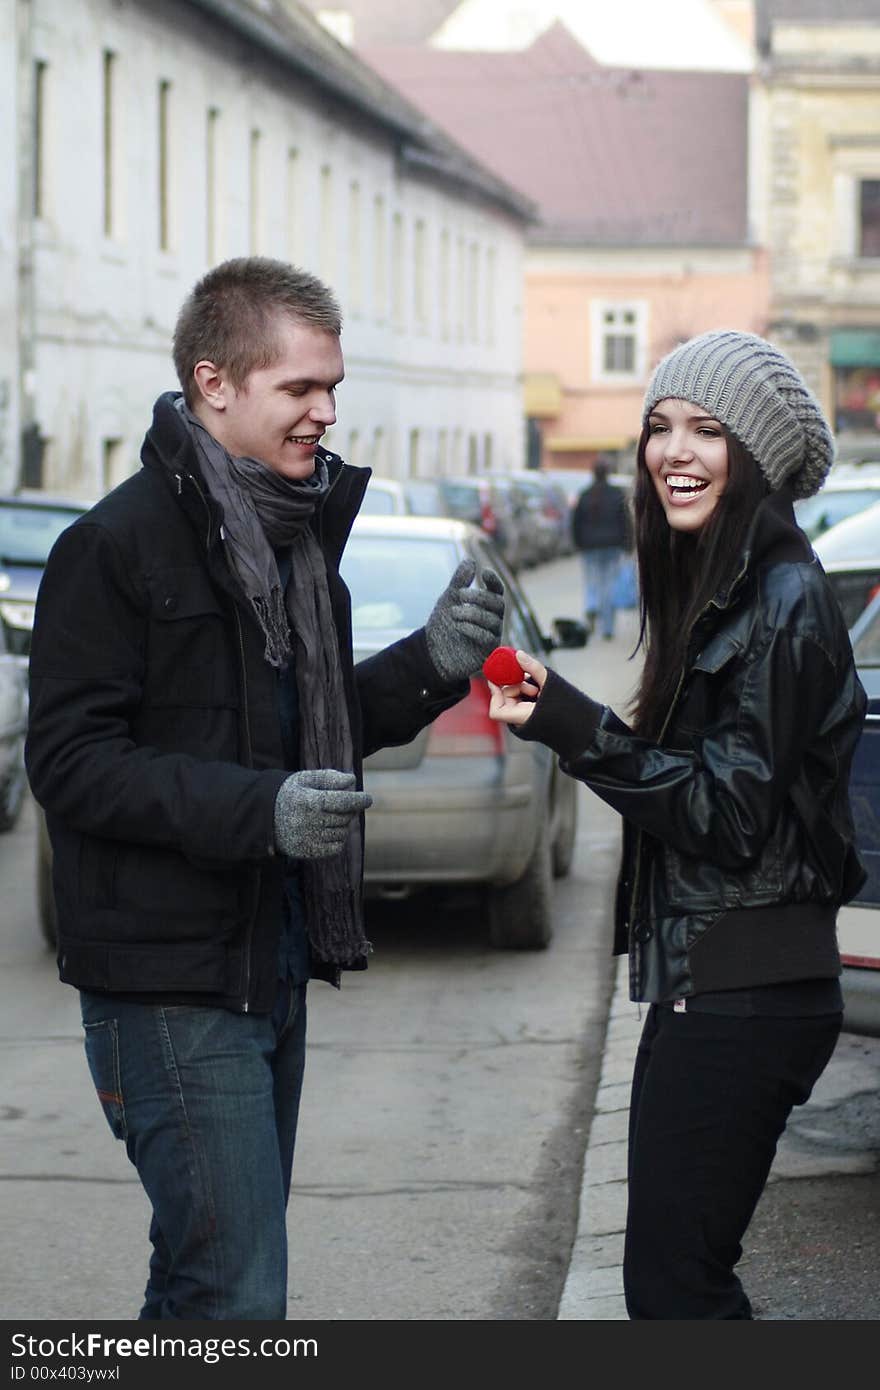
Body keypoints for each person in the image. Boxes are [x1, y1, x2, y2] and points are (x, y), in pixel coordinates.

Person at [24, 255, 505, 1321]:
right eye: (301, 389)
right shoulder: (112, 545)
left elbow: (308, 728)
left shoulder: (294, 541)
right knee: (233, 1294)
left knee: (208, 1280)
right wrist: (263, 812)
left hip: (265, 962)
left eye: (331, 388)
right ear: (215, 382)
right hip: (168, 988)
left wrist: (434, 658)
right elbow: (67, 762)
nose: (326, 413)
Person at [486, 329, 867, 1319]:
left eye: (708, 430)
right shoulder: (727, 586)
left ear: (759, 457)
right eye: (659, 427)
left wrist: (576, 729)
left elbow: (727, 814)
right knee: (670, 1281)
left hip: (749, 989)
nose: (674, 451)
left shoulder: (781, 600)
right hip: (716, 982)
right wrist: (569, 711)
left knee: (677, 1287)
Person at [570, 455, 632, 640]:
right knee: (609, 586)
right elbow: (625, 521)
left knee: (592, 582)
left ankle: (591, 606)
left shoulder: (584, 494)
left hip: (589, 546)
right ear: (607, 473)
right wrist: (628, 544)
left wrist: (578, 543)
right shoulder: (617, 494)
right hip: (612, 546)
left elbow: (576, 522)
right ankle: (607, 629)